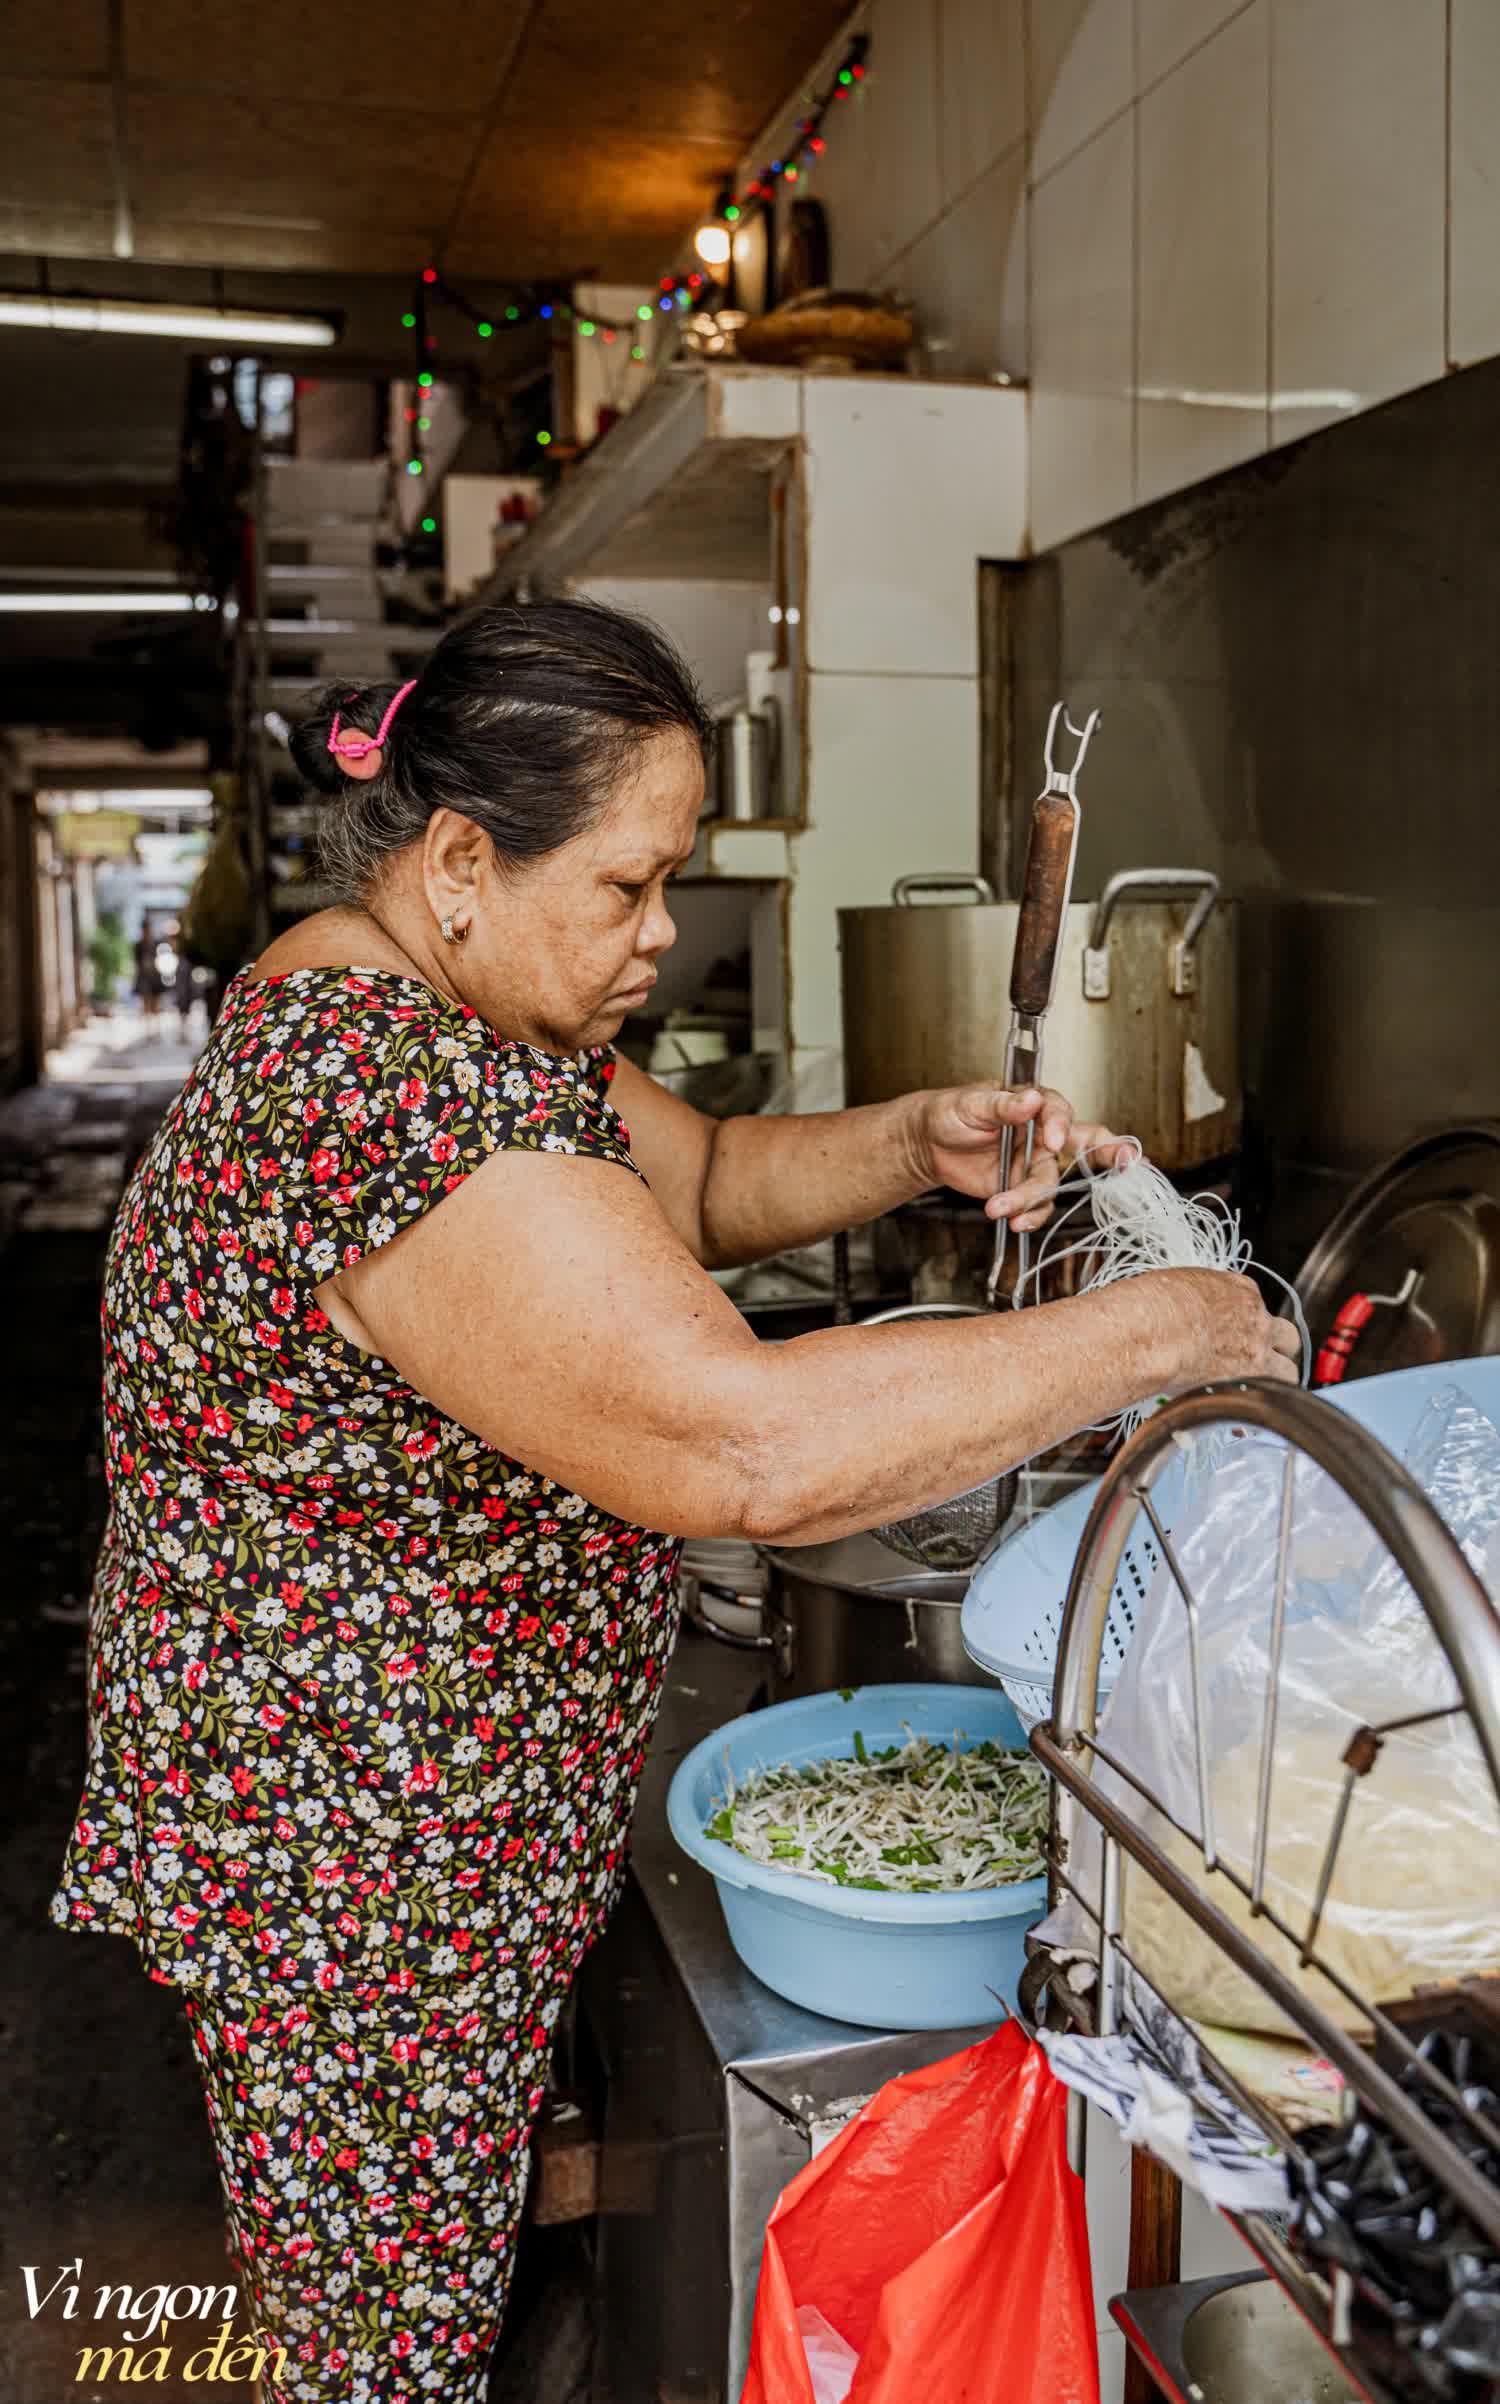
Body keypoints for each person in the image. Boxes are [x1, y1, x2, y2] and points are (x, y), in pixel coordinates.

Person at [51, 599, 1297, 2399]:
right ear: (464, 857)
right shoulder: (375, 1088)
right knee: (375, 2358)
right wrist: (1152, 1329)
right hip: (357, 1868)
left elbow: (691, 1174)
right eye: (629, 888)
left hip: (430, 1815)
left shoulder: (454, 1001)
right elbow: (748, 1450)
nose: (660, 934)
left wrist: (908, 1143)